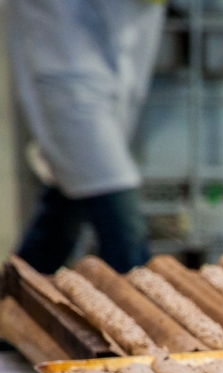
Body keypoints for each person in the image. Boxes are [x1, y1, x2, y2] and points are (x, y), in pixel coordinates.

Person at [7, 0, 165, 274]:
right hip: (67, 74)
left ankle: (15, 291)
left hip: (107, 74)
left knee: (63, 211)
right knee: (123, 224)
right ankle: (136, 299)